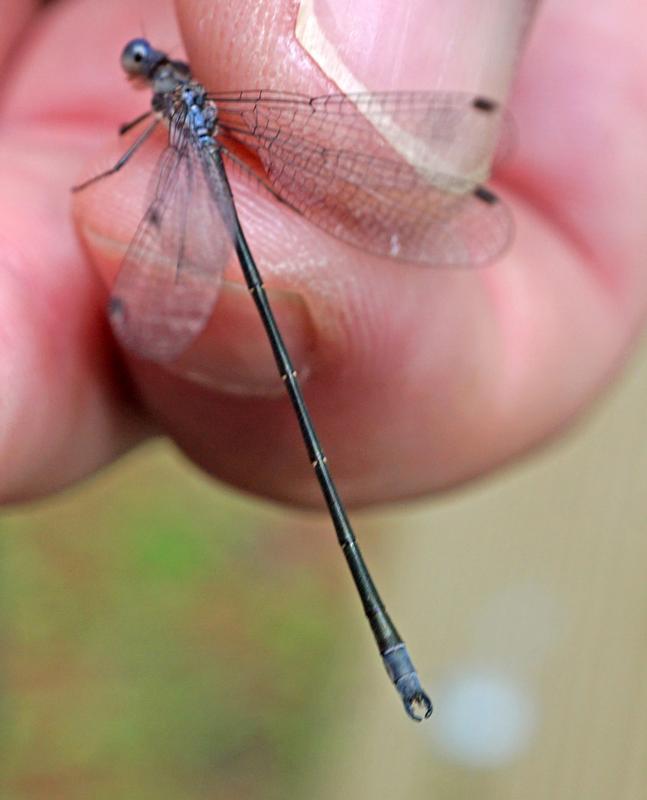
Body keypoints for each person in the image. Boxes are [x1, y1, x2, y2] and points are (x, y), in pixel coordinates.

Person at [1, 0, 645, 509]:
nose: (137, 65)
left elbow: (126, 146)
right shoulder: (185, 95)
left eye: (140, 60)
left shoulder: (176, 99)